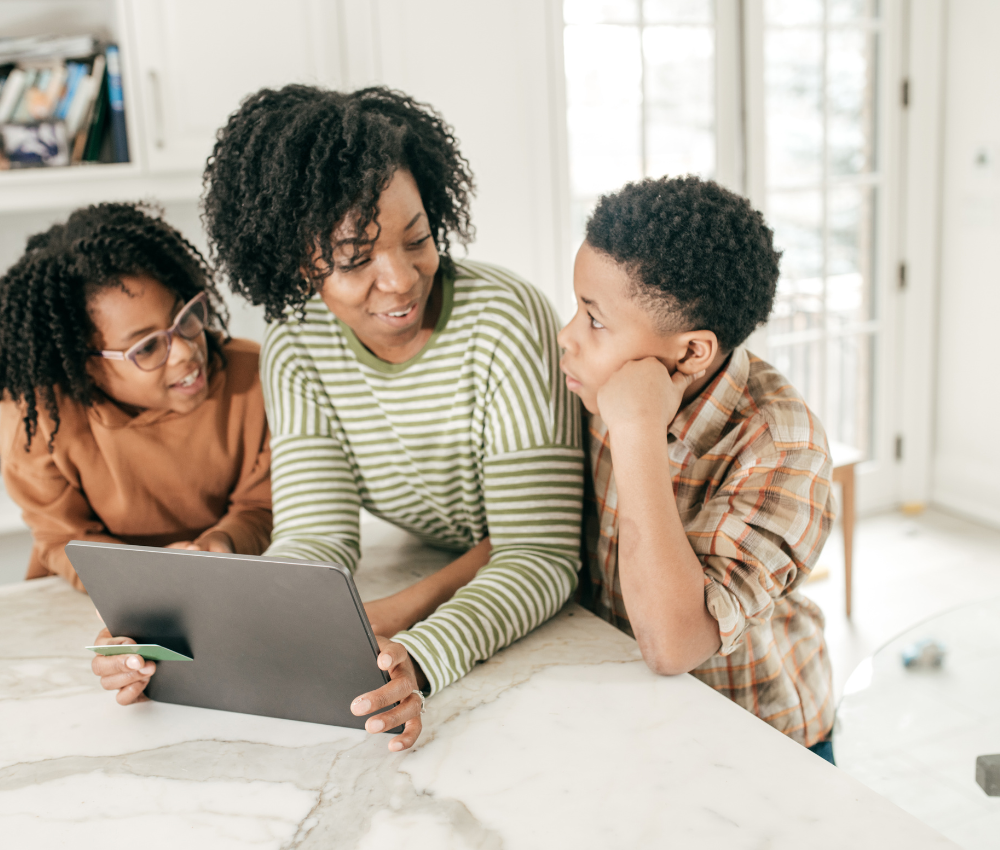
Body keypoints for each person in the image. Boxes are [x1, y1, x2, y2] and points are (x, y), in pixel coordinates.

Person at [98, 85, 584, 750]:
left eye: (417, 238)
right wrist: (183, 635)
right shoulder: (298, 344)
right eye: (356, 260)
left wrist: (423, 653)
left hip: (564, 609)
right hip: (460, 567)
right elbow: (314, 542)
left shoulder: (504, 319)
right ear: (297, 261)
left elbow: (540, 552)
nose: (402, 278)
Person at [558, 176, 836, 761]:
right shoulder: (587, 383)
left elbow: (673, 643)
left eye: (594, 319)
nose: (567, 337)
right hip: (628, 717)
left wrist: (637, 433)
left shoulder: (783, 446)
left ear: (690, 353)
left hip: (760, 740)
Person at [0, 202, 271, 602]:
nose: (183, 352)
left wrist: (220, 544)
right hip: (90, 597)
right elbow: (63, 536)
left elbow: (262, 503)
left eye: (185, 317)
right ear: (84, 366)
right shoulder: (39, 418)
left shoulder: (255, 377)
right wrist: (148, 573)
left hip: (225, 584)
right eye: (146, 348)